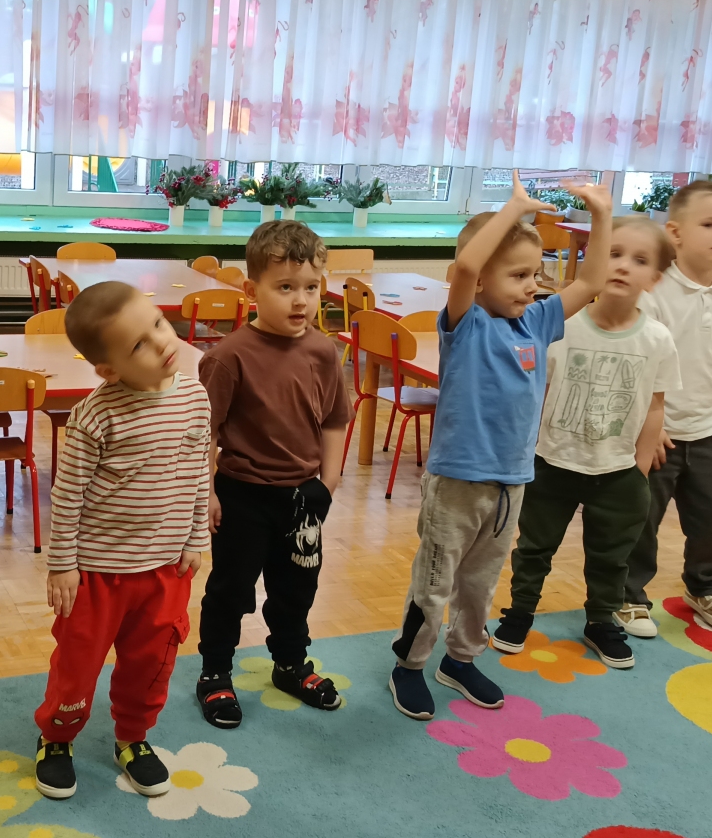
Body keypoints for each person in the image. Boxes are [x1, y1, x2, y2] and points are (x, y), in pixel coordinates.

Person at [388, 172, 612, 721]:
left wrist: (602, 216)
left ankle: (460, 659)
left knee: (480, 584)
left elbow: (591, 281)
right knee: (435, 583)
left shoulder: (537, 321)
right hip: (457, 482)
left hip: (511, 482)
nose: (533, 285)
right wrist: (513, 209)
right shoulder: (464, 325)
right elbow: (465, 266)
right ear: (484, 280)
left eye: (536, 273)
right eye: (518, 275)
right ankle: (409, 666)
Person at [32, 282, 211, 801]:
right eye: (138, 345)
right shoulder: (95, 416)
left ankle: (133, 737)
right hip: (96, 574)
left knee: (152, 664)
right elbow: (67, 496)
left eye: (158, 323)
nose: (162, 341)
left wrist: (195, 538)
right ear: (108, 370)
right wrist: (62, 565)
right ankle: (56, 738)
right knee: (77, 666)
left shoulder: (195, 397)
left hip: (165, 569)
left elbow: (198, 471)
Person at [492, 217, 680, 669]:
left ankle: (601, 620)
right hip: (552, 462)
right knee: (534, 547)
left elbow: (655, 406)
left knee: (611, 556)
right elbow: (535, 392)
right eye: (613, 254)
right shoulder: (561, 326)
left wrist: (639, 469)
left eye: (639, 260)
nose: (623, 266)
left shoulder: (657, 339)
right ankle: (519, 613)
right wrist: (524, 452)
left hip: (617, 471)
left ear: (654, 278)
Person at [194, 220, 350, 729]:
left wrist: (328, 483)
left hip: (303, 498)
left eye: (311, 287)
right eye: (285, 287)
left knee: (296, 590)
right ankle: (215, 672)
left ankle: (290, 664)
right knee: (231, 591)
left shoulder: (323, 351)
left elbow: (334, 421)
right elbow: (204, 434)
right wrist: (207, 493)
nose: (301, 300)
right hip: (242, 495)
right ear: (251, 290)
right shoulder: (227, 357)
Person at [619, 180, 712, 637]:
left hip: (708, 432)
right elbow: (639, 362)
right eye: (710, 224)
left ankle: (703, 586)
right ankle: (627, 595)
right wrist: (649, 425)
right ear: (676, 233)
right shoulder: (655, 290)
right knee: (641, 519)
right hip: (656, 434)